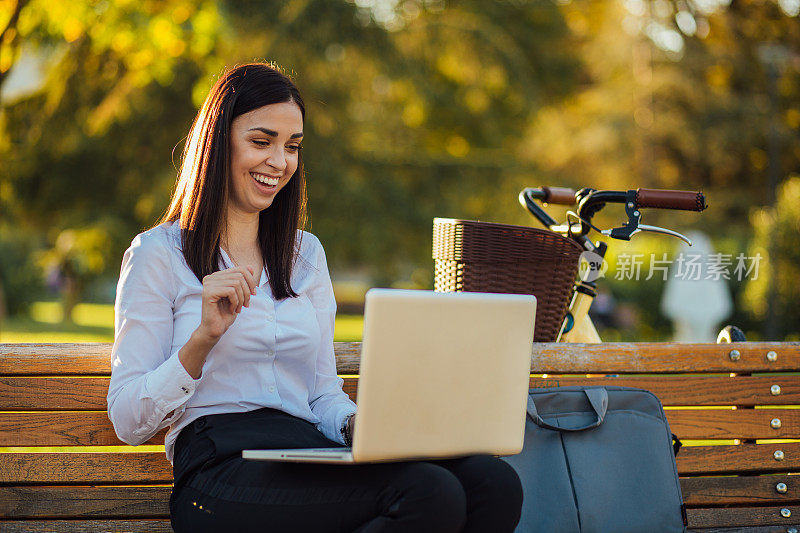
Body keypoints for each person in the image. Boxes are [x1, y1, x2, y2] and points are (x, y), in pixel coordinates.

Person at [107, 62, 523, 532]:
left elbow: (322, 392)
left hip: (304, 450)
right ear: (218, 142)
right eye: (261, 141)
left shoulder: (305, 255)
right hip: (219, 470)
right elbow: (127, 419)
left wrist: (360, 429)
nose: (279, 161)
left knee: (493, 481)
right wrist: (202, 339)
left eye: (292, 146)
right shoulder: (158, 253)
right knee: (428, 491)